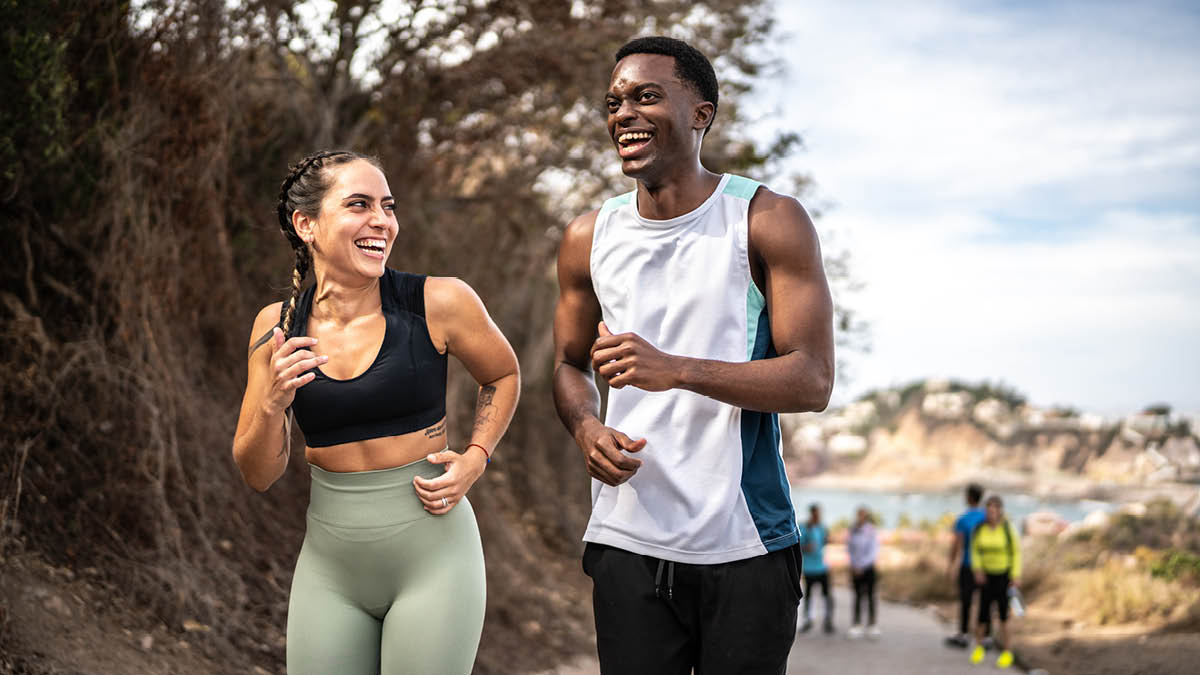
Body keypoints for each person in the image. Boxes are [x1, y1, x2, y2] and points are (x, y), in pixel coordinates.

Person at [552, 36, 834, 674]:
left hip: (744, 543)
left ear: (701, 113)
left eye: (647, 96)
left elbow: (812, 380)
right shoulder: (586, 238)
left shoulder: (767, 220)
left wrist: (675, 369)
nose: (624, 113)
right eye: (614, 101)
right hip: (627, 537)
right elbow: (569, 365)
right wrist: (585, 425)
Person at [231, 150, 520, 675]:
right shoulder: (275, 329)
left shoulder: (439, 301)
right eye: (359, 204)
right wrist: (273, 402)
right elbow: (258, 473)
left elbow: (502, 374)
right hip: (331, 567)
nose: (382, 222)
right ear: (306, 225)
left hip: (434, 555)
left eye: (387, 206)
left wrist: (477, 456)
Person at [969, 495, 1021, 669]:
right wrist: (977, 569)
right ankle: (979, 647)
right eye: (988, 510)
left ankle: (1007, 651)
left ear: (999, 511)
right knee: (982, 614)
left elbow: (1016, 552)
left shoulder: (1007, 529)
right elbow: (974, 550)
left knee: (1004, 615)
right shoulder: (980, 529)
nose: (991, 513)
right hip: (985, 576)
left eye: (994, 510)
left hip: (1003, 576)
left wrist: (1015, 575)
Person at [946, 482, 986, 648]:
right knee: (984, 602)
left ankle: (963, 635)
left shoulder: (963, 519)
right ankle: (985, 636)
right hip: (986, 566)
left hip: (968, 565)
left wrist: (951, 565)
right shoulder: (987, 517)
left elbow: (957, 544)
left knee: (966, 601)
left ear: (968, 497)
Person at [799, 503, 834, 634]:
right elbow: (799, 546)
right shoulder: (804, 527)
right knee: (808, 596)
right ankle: (808, 620)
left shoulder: (822, 527)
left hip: (822, 567)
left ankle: (828, 621)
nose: (818, 515)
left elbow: (825, 542)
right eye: (816, 513)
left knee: (827, 596)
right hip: (809, 568)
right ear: (812, 513)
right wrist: (807, 547)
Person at [847, 506, 880, 639]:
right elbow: (849, 549)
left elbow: (873, 551)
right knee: (857, 596)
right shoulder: (853, 530)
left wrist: (862, 565)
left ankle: (872, 625)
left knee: (871, 596)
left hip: (868, 568)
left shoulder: (871, 530)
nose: (860, 517)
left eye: (862, 514)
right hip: (855, 569)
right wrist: (855, 565)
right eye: (859, 514)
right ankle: (857, 624)